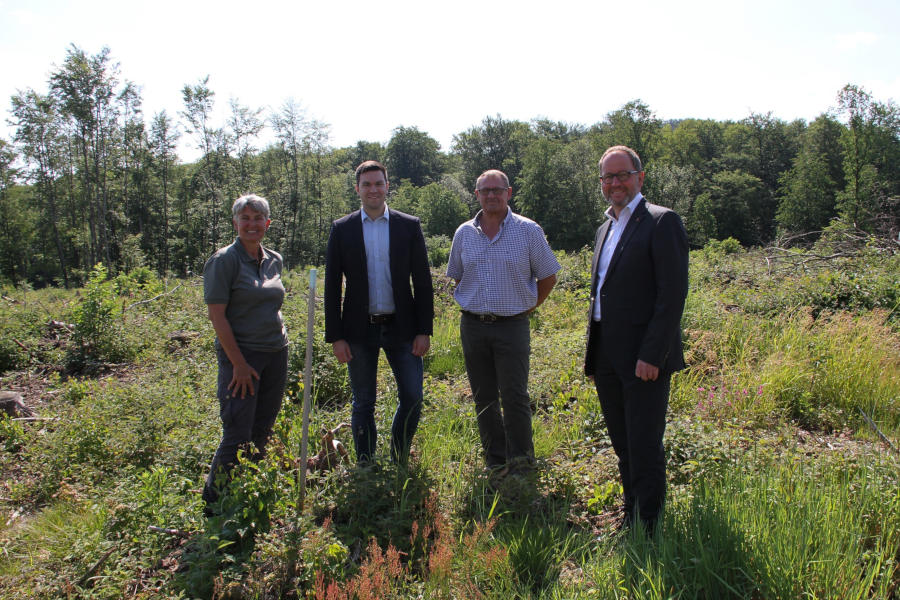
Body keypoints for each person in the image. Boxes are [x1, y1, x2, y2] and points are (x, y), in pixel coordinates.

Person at [584, 145, 689, 533]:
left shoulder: (661, 222)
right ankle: (631, 512)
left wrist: (652, 354)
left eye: (622, 174)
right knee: (623, 442)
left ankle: (648, 525)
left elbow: (672, 295)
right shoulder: (604, 228)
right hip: (608, 356)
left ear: (639, 177)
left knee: (644, 443)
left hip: (644, 358)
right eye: (608, 177)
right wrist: (596, 357)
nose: (615, 183)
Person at [446, 169, 560, 475]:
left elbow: (548, 276)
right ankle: (495, 462)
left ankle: (522, 465)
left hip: (512, 326)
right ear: (477, 195)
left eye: (498, 190)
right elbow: (457, 275)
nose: (492, 195)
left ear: (509, 193)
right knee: (483, 397)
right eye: (485, 190)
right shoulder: (464, 233)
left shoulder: (528, 231)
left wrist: (526, 307)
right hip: (473, 326)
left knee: (515, 396)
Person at [324, 160, 434, 463]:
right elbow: (332, 286)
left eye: (378, 183)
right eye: (367, 184)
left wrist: (424, 329)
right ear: (358, 188)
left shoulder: (408, 226)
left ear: (387, 186)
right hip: (358, 331)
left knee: (412, 398)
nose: (373, 189)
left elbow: (423, 282)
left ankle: (399, 458)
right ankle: (365, 465)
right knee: (363, 403)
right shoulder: (342, 229)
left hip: (404, 328)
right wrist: (336, 336)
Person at [202, 194, 289, 508]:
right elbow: (217, 316)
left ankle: (248, 492)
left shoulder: (274, 259)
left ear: (267, 223)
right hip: (242, 356)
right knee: (238, 430)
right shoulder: (224, 261)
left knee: (263, 426)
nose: (252, 224)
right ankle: (214, 505)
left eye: (258, 219)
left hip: (276, 352)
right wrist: (238, 364)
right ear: (236, 222)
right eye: (246, 218)